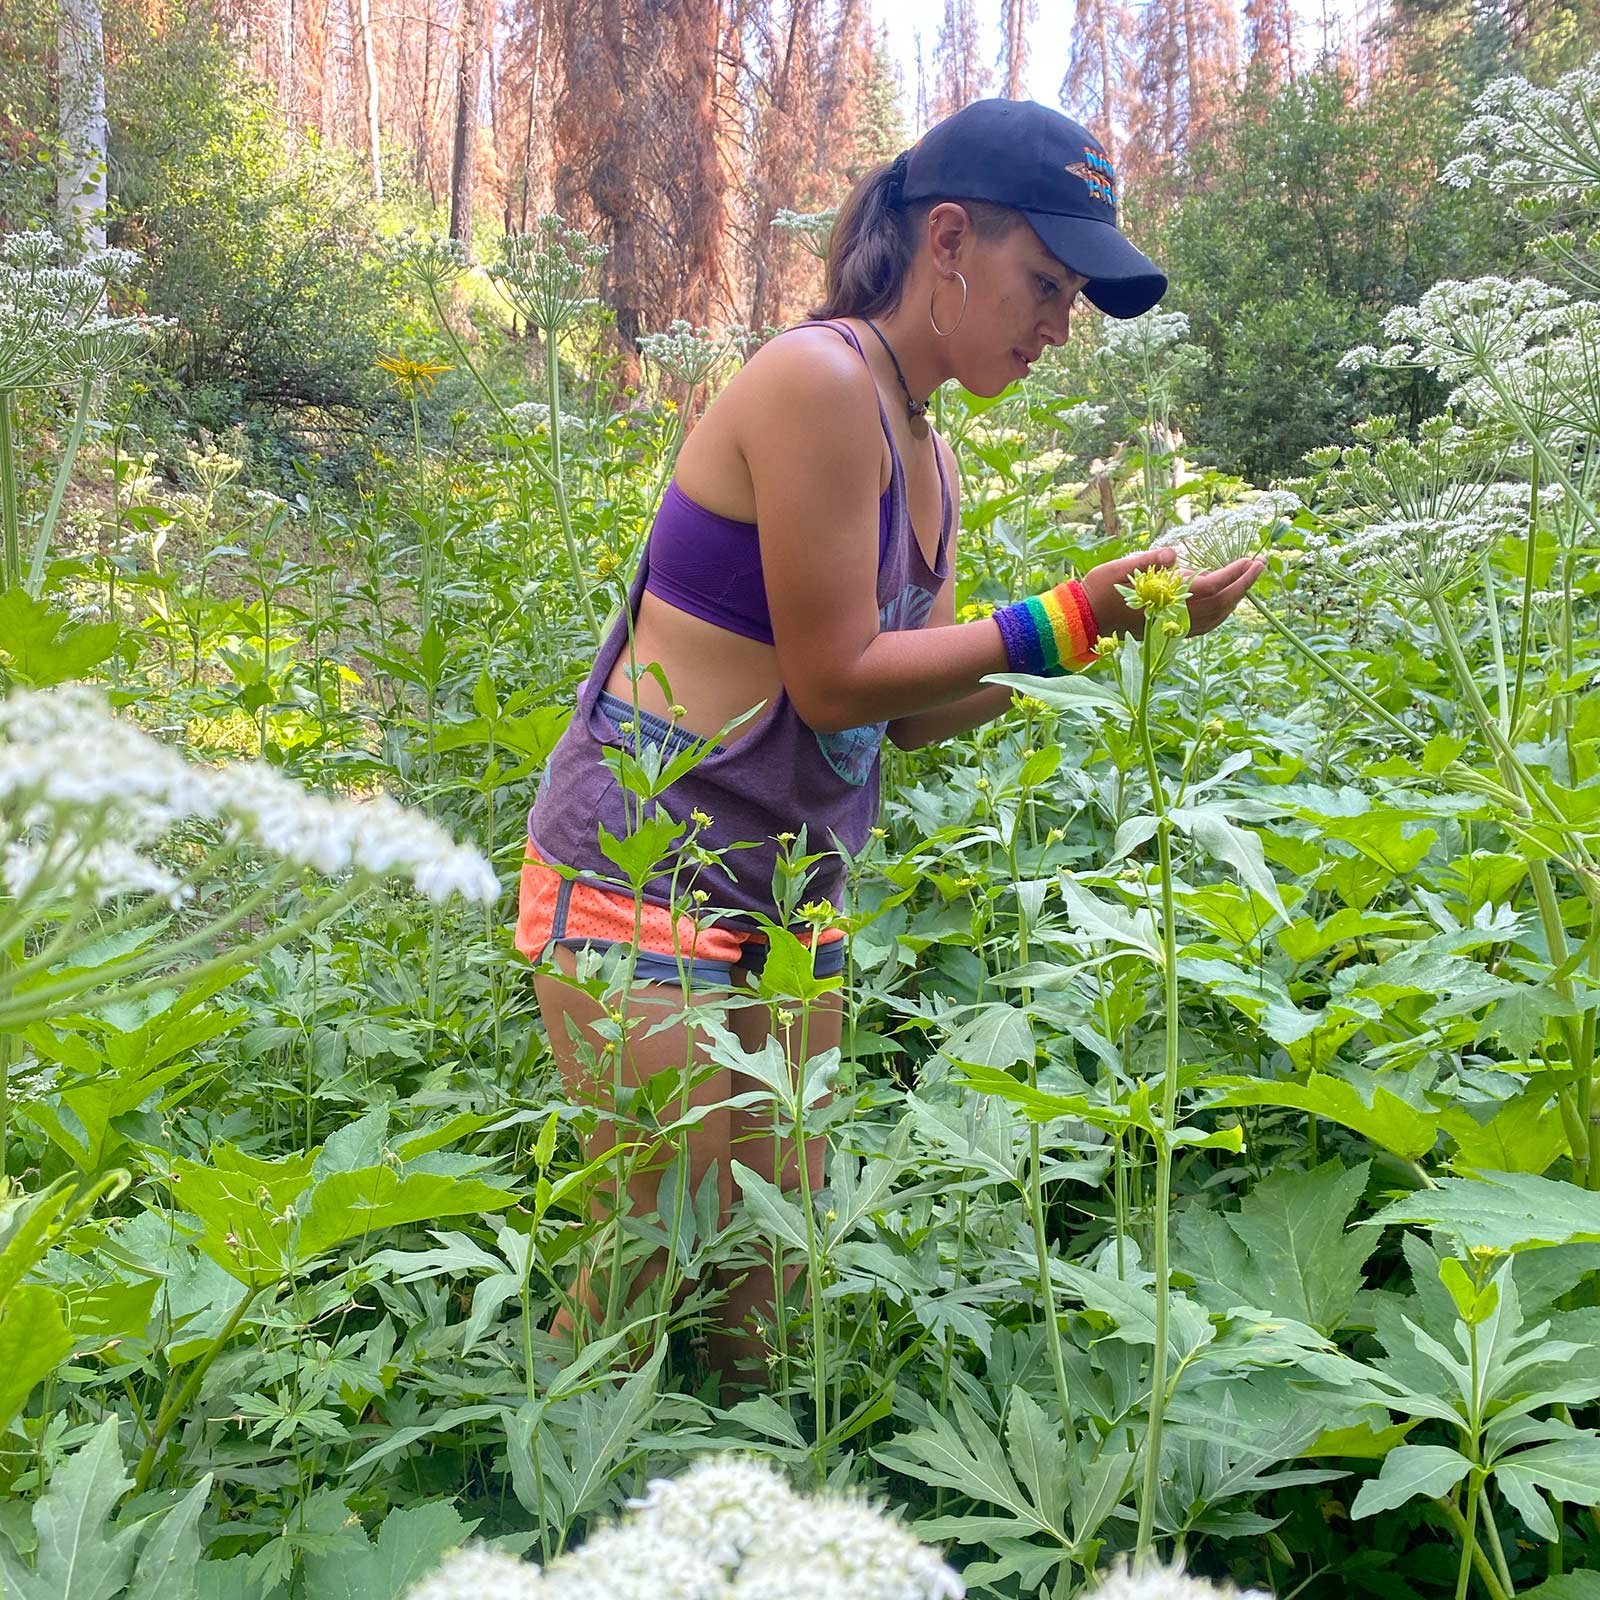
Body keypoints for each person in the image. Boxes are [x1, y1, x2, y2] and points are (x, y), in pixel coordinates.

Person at [516, 98, 1264, 1384]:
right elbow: (833, 678)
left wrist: (1108, 642)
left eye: (1073, 294)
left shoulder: (929, 449)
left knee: (765, 1315)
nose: (1056, 325)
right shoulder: (817, 382)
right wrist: (1065, 613)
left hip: (785, 915)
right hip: (643, 892)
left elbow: (907, 716)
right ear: (951, 240)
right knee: (635, 1298)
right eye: (1045, 280)